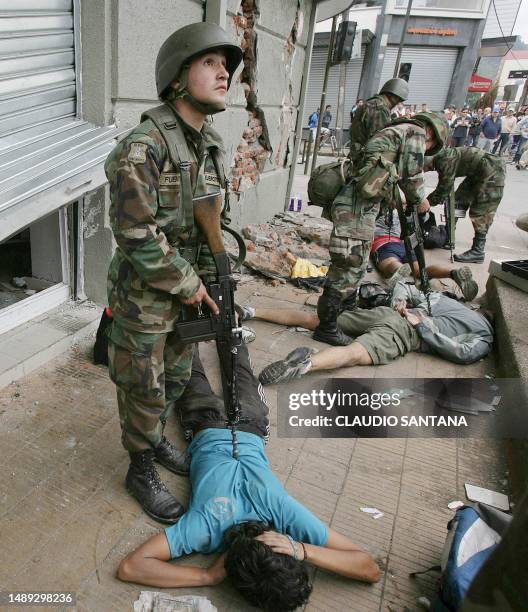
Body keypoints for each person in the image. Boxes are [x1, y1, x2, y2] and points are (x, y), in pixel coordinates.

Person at [116, 344, 381, 610]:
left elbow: (368, 567)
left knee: (213, 362)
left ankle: (214, 326)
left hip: (230, 423)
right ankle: (224, 324)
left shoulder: (262, 516)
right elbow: (368, 568)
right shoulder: (209, 528)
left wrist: (301, 549)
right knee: (215, 365)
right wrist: (208, 576)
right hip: (217, 422)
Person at [104, 23, 243, 524]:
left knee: (178, 377)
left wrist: (221, 273)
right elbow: (135, 232)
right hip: (146, 294)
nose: (224, 71)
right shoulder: (143, 146)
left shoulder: (210, 145)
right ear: (178, 77)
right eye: (210, 62)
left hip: (191, 291)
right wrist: (191, 283)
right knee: (143, 384)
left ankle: (156, 437)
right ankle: (139, 467)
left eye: (226, 64)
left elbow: (212, 220)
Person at [313, 111, 448, 347]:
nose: (426, 149)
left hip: (360, 208)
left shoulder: (396, 132)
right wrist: (420, 199)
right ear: (431, 134)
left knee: (356, 265)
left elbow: (387, 177)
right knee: (347, 266)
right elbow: (412, 176)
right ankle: (327, 327)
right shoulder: (415, 132)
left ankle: (345, 318)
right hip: (355, 209)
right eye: (430, 146)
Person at [255, 279, 494, 386]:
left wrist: (398, 305)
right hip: (406, 332)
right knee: (353, 353)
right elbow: (463, 353)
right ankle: (304, 365)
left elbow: (403, 285)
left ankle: (249, 311)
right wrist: (420, 324)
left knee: (316, 320)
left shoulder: (451, 303)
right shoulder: (485, 336)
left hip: (387, 314)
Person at [371, 210, 479, 301]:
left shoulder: (374, 215)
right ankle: (452, 273)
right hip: (404, 245)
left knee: (389, 263)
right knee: (419, 272)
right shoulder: (400, 215)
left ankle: (398, 268)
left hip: (383, 244)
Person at [426, 146, 505, 263]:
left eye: (424, 168)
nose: (424, 171)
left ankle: (478, 251)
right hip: (477, 172)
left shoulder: (443, 160)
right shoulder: (440, 157)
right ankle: (449, 236)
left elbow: (444, 189)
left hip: (492, 171)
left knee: (481, 212)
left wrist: (426, 203)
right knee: (458, 202)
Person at [348, 77, 409, 163]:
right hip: (365, 160)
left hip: (358, 154)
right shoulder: (379, 108)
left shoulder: (371, 103)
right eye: (398, 99)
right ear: (393, 96)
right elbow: (378, 141)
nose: (398, 103)